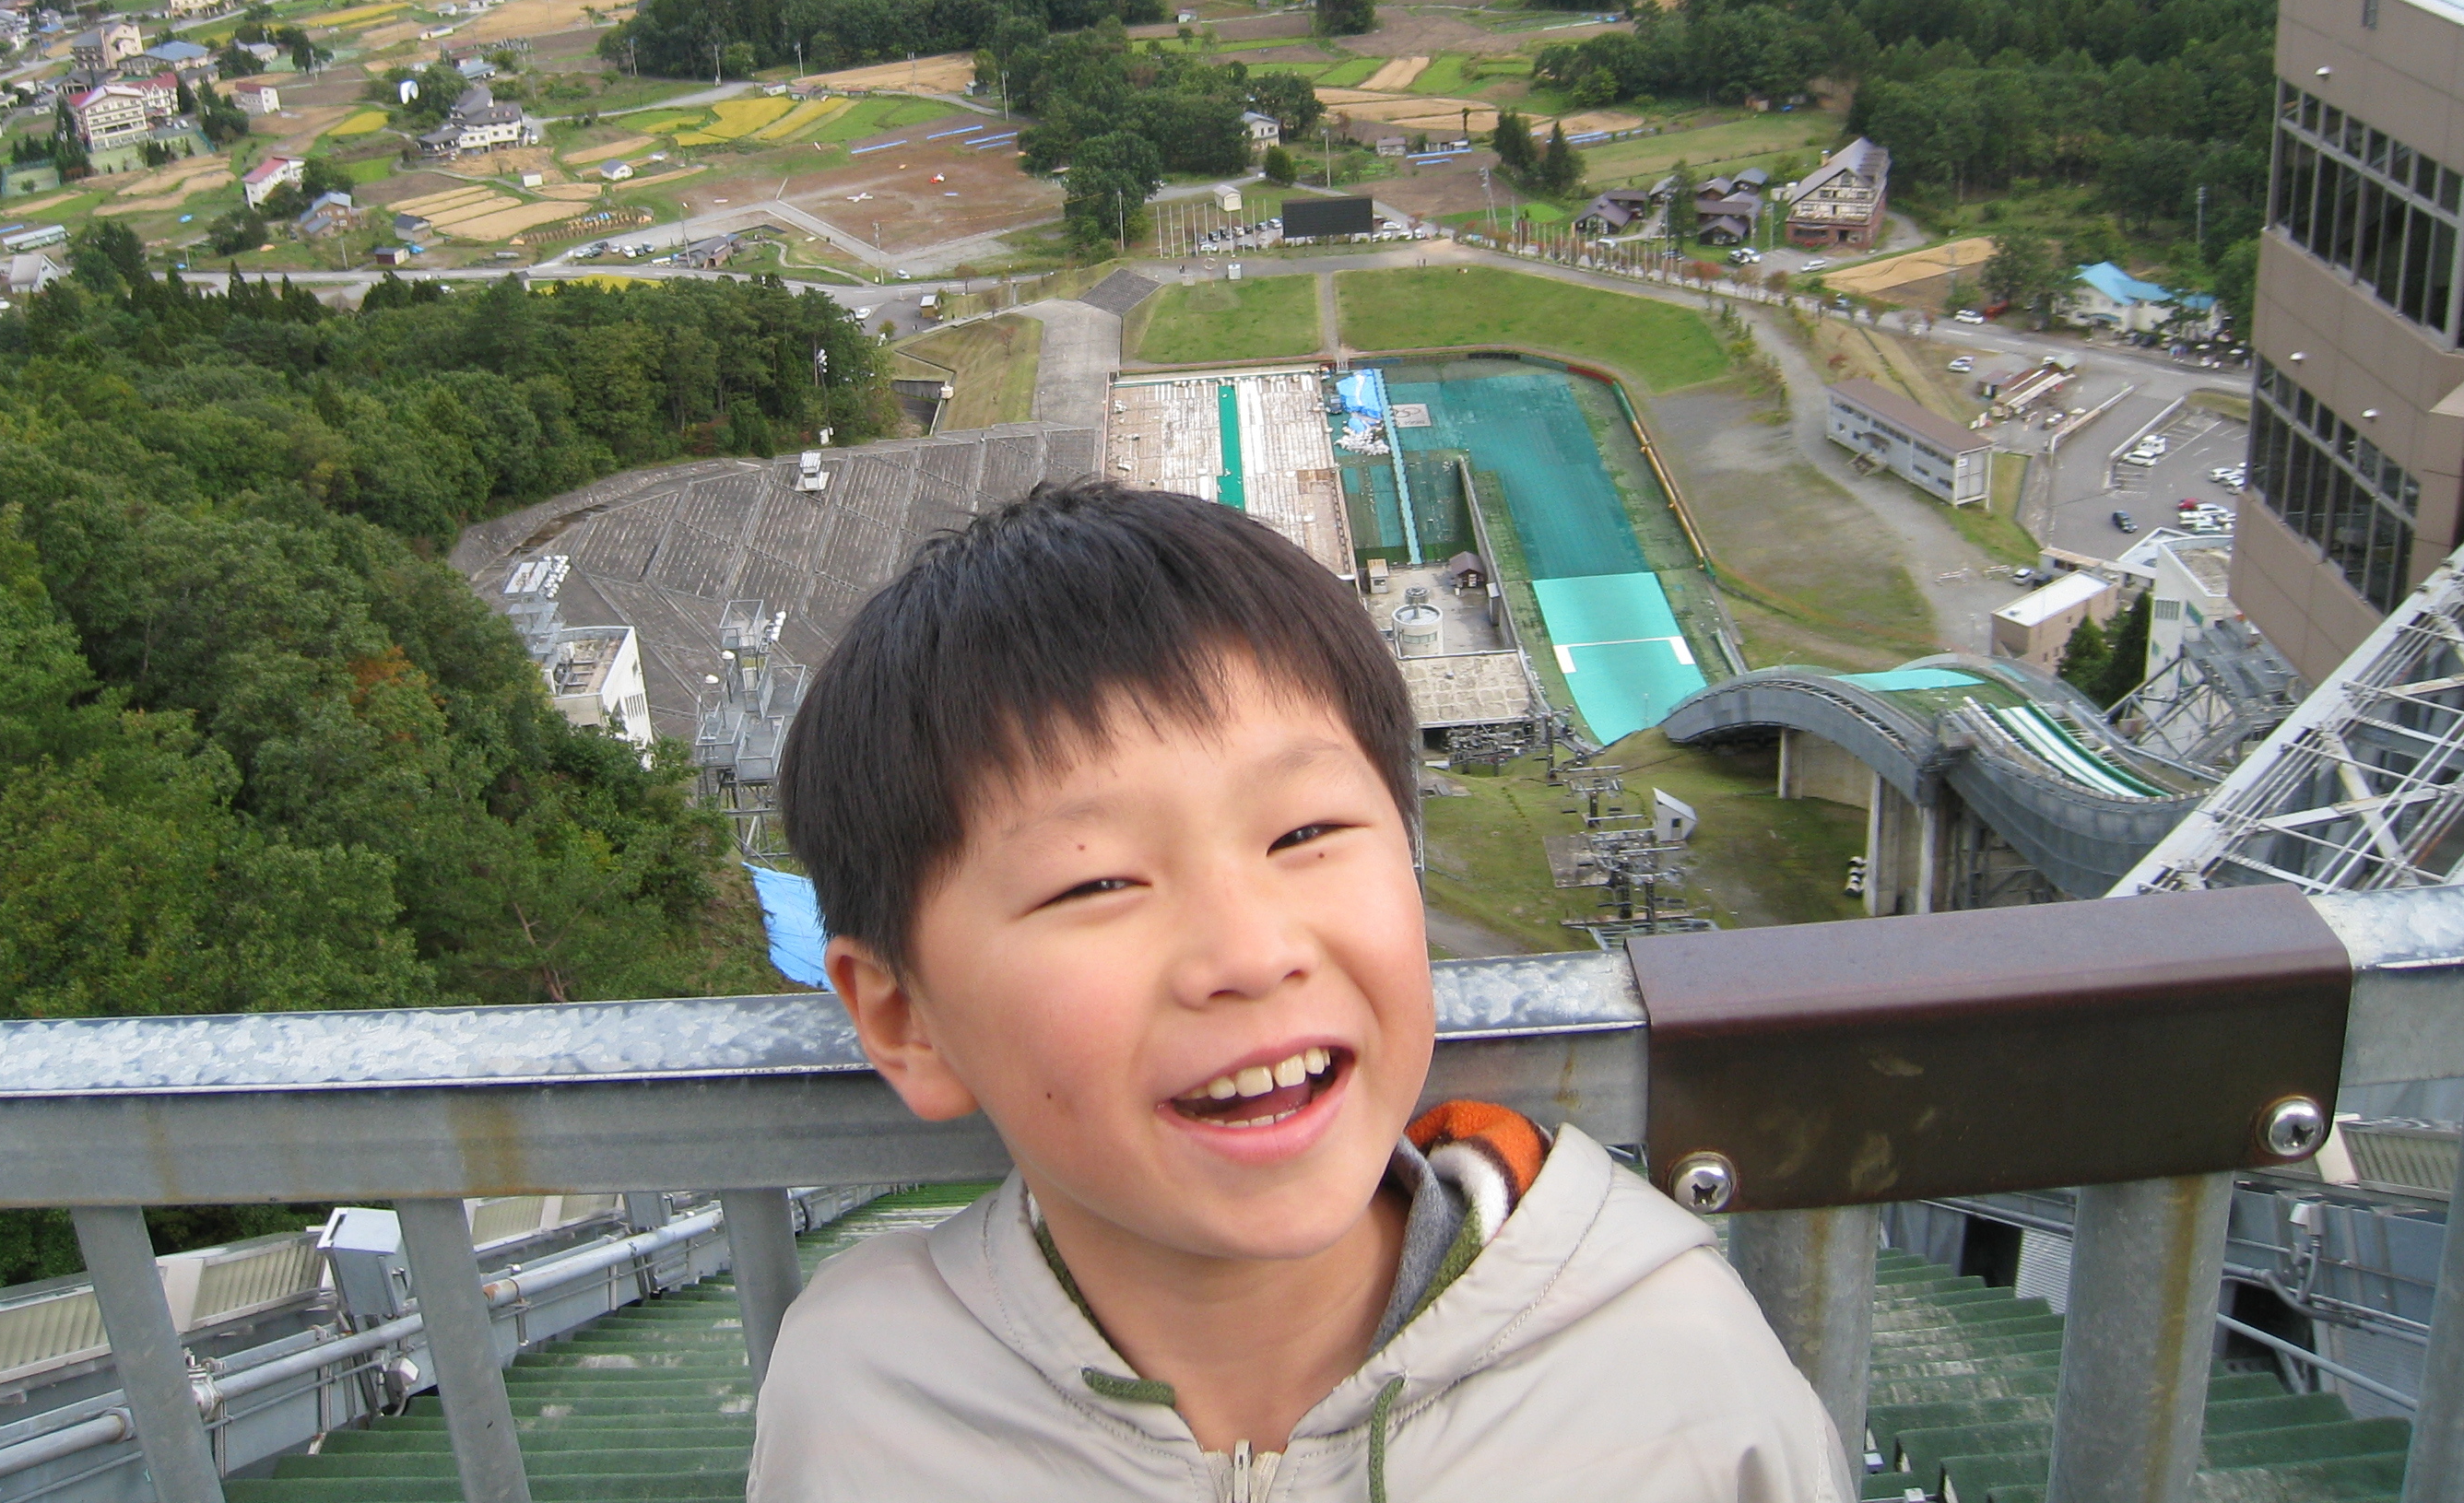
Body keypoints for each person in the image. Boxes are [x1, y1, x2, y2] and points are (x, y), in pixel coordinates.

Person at [754, 481, 1847, 1501]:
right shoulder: (860, 1404)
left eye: (1306, 832)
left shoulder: (1676, 1377)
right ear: (906, 1020)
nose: (1248, 951)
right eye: (1094, 881)